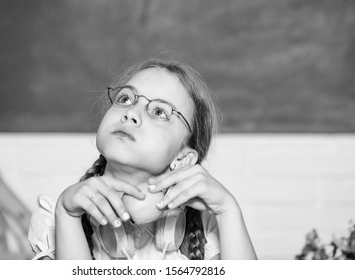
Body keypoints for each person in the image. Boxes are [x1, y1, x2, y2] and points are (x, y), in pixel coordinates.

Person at [28, 57, 257, 260]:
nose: (131, 113)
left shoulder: (211, 226)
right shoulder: (54, 218)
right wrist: (67, 216)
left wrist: (228, 209)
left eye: (159, 112)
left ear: (183, 157)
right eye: (125, 98)